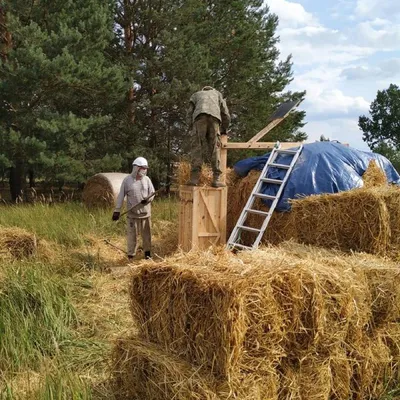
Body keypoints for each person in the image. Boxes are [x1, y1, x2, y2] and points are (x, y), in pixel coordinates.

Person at [187, 86, 231, 187]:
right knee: (215, 148)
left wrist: (190, 127)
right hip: (215, 118)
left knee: (198, 147)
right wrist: (224, 129)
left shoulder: (196, 95)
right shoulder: (218, 94)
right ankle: (216, 179)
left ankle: (194, 179)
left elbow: (189, 113)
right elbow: (226, 113)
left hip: (199, 117)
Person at [112, 157, 155, 260]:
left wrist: (148, 200)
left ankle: (147, 254)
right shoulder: (127, 181)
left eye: (146, 168)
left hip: (145, 214)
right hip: (132, 214)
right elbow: (121, 196)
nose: (145, 170)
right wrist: (117, 210)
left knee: (146, 236)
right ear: (136, 168)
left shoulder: (147, 180)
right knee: (132, 236)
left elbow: (152, 193)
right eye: (143, 168)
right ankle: (131, 255)